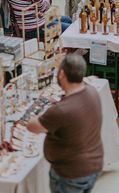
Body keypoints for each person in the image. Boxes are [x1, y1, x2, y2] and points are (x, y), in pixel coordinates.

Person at [26, 53, 103, 193]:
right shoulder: (92, 92)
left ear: (61, 74)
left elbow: (32, 126)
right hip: (93, 164)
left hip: (71, 173)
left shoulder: (61, 111)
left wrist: (31, 114)